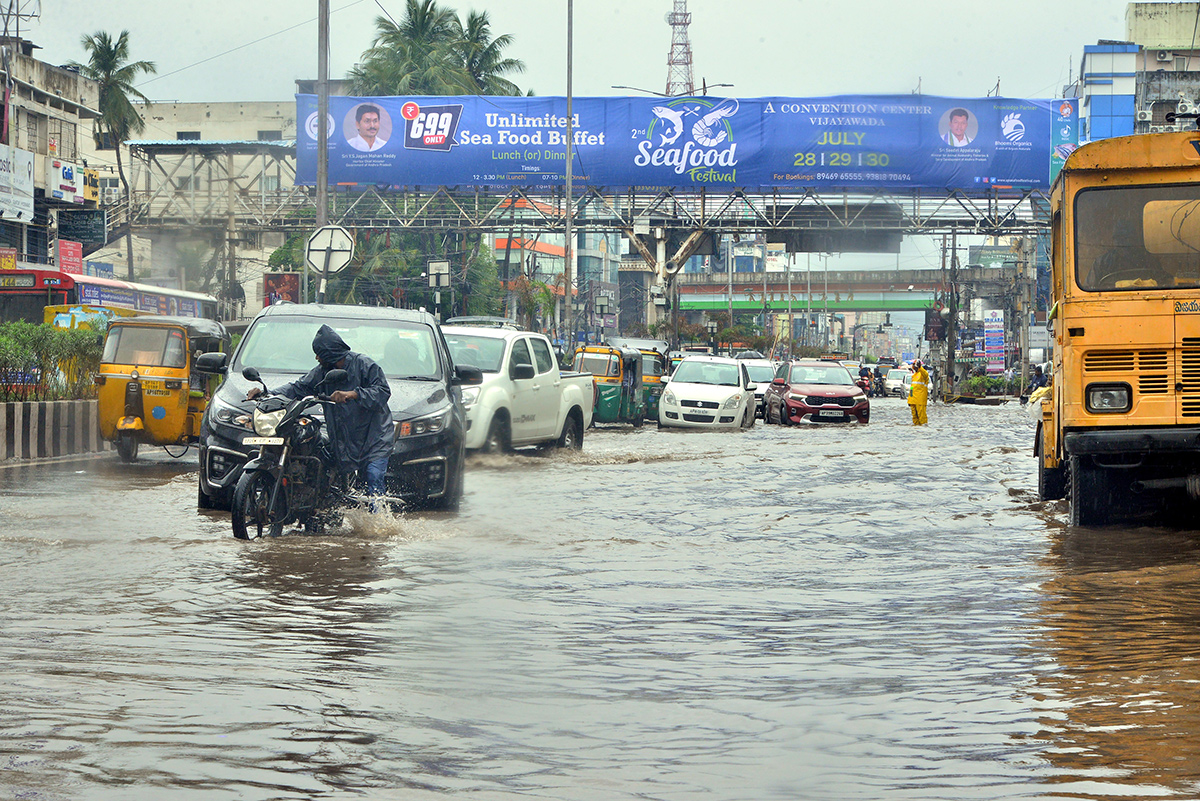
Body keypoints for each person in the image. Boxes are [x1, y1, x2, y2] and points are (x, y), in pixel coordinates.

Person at [247, 325, 394, 498]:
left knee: (373, 476)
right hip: (346, 436)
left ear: (330, 354)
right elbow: (298, 387)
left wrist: (353, 394)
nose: (316, 358)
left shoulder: (364, 365)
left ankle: (378, 522)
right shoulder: (320, 373)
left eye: (319, 354)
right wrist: (267, 393)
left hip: (374, 436)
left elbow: (383, 391)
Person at [908, 359, 930, 426]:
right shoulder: (914, 376)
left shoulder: (923, 375)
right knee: (914, 416)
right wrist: (909, 400)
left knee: (921, 415)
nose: (914, 367)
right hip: (913, 400)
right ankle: (916, 426)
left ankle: (923, 426)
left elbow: (925, 374)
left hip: (920, 400)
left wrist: (920, 367)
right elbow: (912, 388)